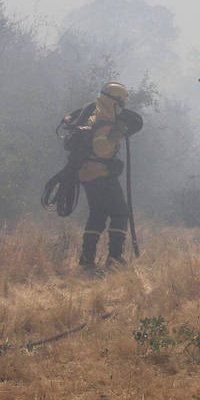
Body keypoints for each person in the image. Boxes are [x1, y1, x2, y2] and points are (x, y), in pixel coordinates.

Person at [77, 81, 134, 273]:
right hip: (101, 174)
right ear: (114, 101)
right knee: (120, 213)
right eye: (122, 102)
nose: (123, 106)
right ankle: (115, 258)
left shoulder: (94, 114)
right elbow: (102, 149)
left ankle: (87, 259)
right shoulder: (105, 119)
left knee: (98, 214)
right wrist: (117, 134)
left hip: (88, 175)